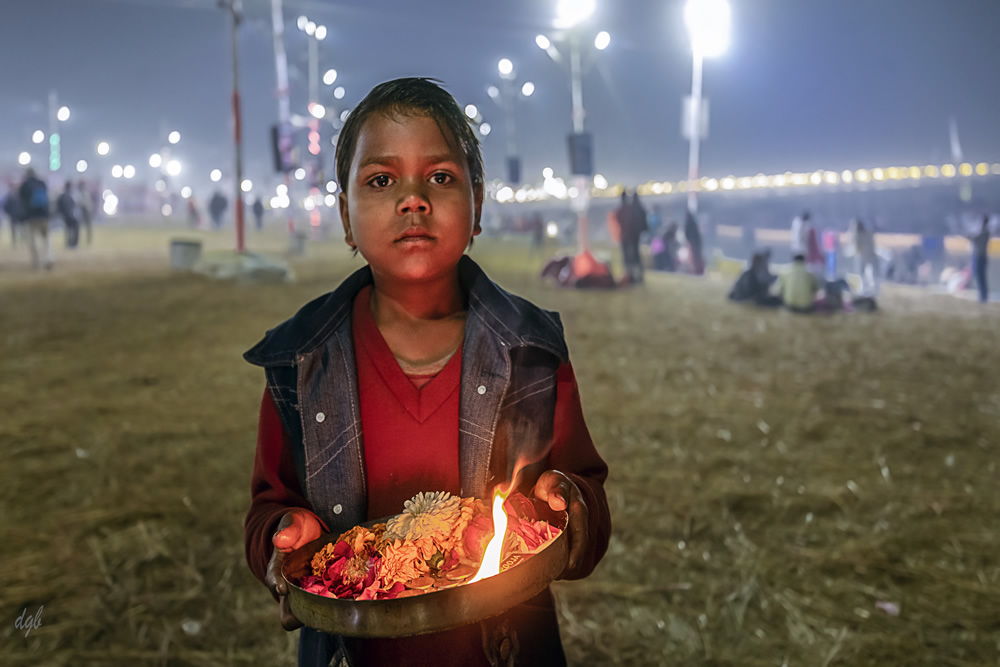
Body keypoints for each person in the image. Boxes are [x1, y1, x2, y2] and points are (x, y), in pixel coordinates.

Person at [242, 78, 611, 667]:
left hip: (505, 649)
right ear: (345, 215)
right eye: (381, 180)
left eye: (440, 177)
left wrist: (568, 504)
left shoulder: (531, 354)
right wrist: (284, 537)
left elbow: (584, 489)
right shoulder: (300, 365)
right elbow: (270, 507)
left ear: (478, 205)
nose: (413, 199)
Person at [18, 168, 52, 270]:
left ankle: (36, 262)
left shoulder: (24, 186)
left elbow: (21, 202)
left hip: (31, 217)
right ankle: (48, 259)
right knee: (46, 240)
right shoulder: (42, 183)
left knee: (32, 242)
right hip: (44, 216)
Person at [617, 191, 647, 284]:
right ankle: (634, 277)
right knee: (634, 257)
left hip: (627, 237)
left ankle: (631, 276)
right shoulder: (636, 209)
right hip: (633, 237)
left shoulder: (622, 210)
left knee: (629, 258)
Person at [849, 218, 879, 296]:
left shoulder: (859, 235)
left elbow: (857, 246)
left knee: (863, 273)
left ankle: (866, 288)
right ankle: (871, 288)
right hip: (868, 255)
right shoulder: (867, 233)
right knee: (869, 273)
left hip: (863, 256)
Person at [969, 215, 991, 303]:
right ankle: (982, 296)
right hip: (981, 257)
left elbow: (973, 238)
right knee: (980, 277)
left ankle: (983, 297)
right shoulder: (984, 232)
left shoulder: (984, 233)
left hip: (979, 257)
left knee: (980, 277)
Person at [57, 181, 79, 249]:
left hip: (66, 216)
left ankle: (70, 244)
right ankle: (73, 244)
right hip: (69, 216)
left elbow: (58, 206)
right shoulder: (68, 196)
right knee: (73, 229)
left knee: (69, 230)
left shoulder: (63, 196)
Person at [684, 210, 704, 275]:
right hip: (696, 244)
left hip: (691, 244)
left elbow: (686, 234)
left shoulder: (688, 223)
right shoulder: (694, 223)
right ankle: (698, 270)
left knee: (693, 258)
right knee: (696, 257)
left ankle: (695, 270)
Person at [76, 180, 93, 245]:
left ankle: (89, 240)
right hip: (81, 210)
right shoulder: (78, 193)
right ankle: (78, 241)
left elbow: (88, 203)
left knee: (88, 226)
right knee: (78, 227)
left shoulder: (86, 193)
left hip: (86, 210)